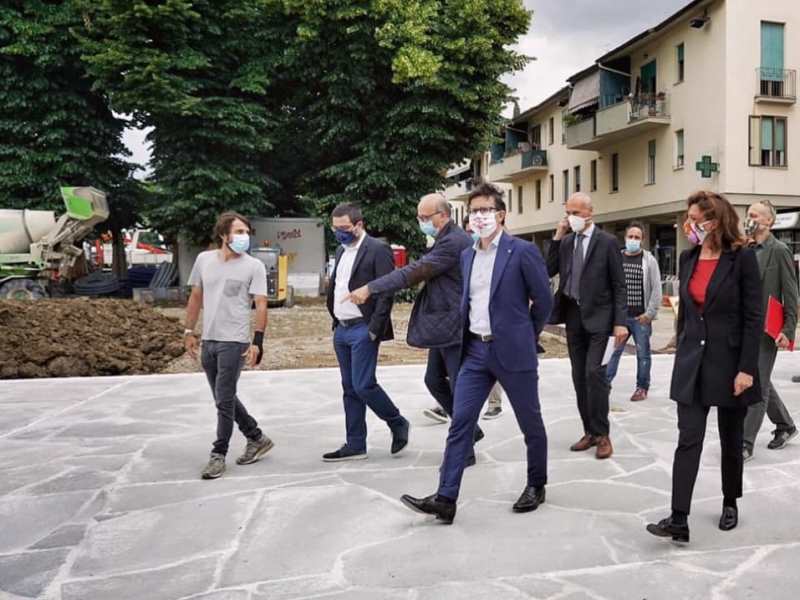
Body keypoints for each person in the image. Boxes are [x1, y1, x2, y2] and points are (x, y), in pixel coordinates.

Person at [399, 182, 553, 524]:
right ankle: (445, 498)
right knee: (460, 424)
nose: (479, 217)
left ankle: (536, 484)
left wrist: (526, 335)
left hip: (513, 352)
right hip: (475, 351)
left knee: (530, 422)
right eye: (474, 211)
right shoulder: (467, 255)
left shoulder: (522, 252)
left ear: (501, 215)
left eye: (486, 210)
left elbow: (544, 300)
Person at [647, 191, 762, 544]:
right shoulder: (688, 257)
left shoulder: (741, 258)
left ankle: (730, 501)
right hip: (692, 364)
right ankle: (678, 518)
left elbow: (753, 316)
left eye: (695, 219)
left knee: (730, 439)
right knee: (688, 439)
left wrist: (746, 369)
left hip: (730, 364)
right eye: (688, 217)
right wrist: (679, 343)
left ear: (713, 222)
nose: (688, 224)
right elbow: (686, 311)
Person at [343, 193, 485, 465]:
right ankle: (471, 430)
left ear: (443, 215)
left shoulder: (453, 242)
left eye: (425, 217)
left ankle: (464, 449)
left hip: (455, 324)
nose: (421, 222)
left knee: (459, 387)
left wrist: (371, 287)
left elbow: (413, 272)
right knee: (434, 380)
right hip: (443, 324)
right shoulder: (444, 238)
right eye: (419, 216)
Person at [184, 212, 274, 480]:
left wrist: (258, 341)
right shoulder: (204, 260)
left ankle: (218, 454)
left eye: (246, 232)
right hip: (209, 340)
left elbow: (261, 304)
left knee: (223, 400)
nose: (244, 237)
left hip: (234, 341)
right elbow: (196, 296)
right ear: (224, 235)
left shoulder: (254, 266)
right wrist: (189, 331)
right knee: (224, 397)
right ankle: (256, 437)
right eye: (239, 231)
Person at [323, 203, 409, 462]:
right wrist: (335, 320)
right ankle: (355, 444)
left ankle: (397, 421)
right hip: (342, 328)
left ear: (359, 225)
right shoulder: (341, 250)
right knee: (349, 388)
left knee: (363, 385)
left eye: (344, 228)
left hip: (363, 327)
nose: (339, 232)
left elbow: (386, 291)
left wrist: (374, 329)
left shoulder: (377, 249)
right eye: (335, 228)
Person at [547, 192, 627, 459]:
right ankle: (589, 431)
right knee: (579, 377)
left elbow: (619, 285)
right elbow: (548, 270)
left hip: (600, 319)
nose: (571, 217)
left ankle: (603, 434)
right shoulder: (566, 242)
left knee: (595, 374)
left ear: (590, 213)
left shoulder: (607, 242)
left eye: (576, 213)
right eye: (568, 212)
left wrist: (620, 322)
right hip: (573, 317)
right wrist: (558, 236)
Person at [742, 200, 798, 460]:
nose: (749, 219)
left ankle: (745, 442)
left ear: (768, 221)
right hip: (744, 327)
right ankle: (785, 425)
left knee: (758, 384)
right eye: (748, 214)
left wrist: (789, 329)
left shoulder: (779, 250)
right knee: (759, 379)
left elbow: (791, 293)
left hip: (767, 330)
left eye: (754, 215)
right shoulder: (746, 249)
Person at [605, 221, 662, 402]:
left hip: (640, 318)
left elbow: (656, 289)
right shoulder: (617, 258)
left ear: (642, 240)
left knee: (643, 354)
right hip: (620, 318)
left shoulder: (649, 261)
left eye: (637, 237)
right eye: (630, 236)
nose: (633, 239)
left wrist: (649, 314)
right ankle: (605, 384)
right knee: (613, 352)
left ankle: (642, 387)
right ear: (625, 238)